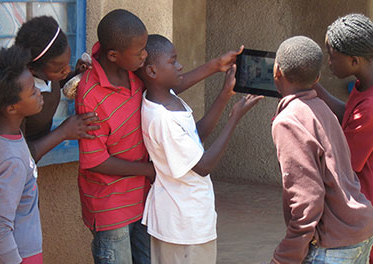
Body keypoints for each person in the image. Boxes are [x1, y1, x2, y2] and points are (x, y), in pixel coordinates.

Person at [75, 9, 244, 264]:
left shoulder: (131, 68)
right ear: (113, 55)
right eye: (140, 52)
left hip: (144, 200)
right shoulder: (91, 94)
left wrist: (215, 66)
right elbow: (95, 161)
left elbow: (168, 84)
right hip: (111, 205)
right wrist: (149, 170)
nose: (144, 56)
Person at [137, 34, 262, 264]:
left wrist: (225, 95)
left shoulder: (167, 99)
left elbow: (196, 136)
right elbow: (203, 166)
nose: (180, 66)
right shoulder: (162, 119)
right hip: (183, 225)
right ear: (152, 72)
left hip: (185, 218)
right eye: (173, 61)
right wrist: (234, 118)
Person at [270, 35, 373, 264]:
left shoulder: (287, 121)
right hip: (360, 229)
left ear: (277, 71)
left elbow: (308, 199)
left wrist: (286, 255)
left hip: (333, 245)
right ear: (317, 78)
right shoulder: (324, 110)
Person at [313, 14, 373, 263]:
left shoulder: (370, 107)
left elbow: (346, 160)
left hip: (365, 205)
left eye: (332, 56)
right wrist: (312, 86)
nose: (329, 63)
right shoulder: (364, 85)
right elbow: (348, 114)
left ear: (354, 60)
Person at [14, 15, 99, 162]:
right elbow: (19, 157)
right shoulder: (16, 97)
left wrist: (75, 75)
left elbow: (54, 82)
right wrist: (64, 132)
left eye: (68, 63)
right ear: (32, 69)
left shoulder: (45, 75)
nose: (66, 70)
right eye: (60, 69)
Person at [0, 46, 44, 264]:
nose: (39, 92)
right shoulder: (13, 161)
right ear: (11, 108)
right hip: (18, 253)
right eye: (32, 91)